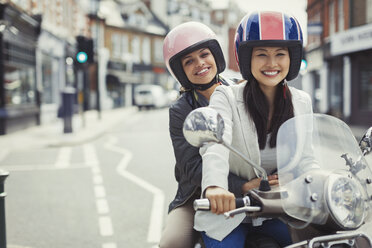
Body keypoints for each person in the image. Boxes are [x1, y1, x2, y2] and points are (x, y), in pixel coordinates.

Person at [194, 11, 313, 247]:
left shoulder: (302, 101)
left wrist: (318, 180)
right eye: (261, 55)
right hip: (230, 211)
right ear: (247, 58)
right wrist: (216, 187)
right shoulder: (225, 95)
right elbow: (215, 143)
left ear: (292, 58)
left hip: (279, 210)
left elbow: (308, 157)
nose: (271, 63)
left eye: (280, 54)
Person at [159, 22, 249, 248]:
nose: (200, 63)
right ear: (180, 71)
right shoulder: (180, 110)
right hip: (198, 193)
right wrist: (245, 186)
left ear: (216, 56)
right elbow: (191, 168)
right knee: (173, 242)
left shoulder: (240, 90)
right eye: (189, 61)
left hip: (255, 184)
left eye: (204, 54)